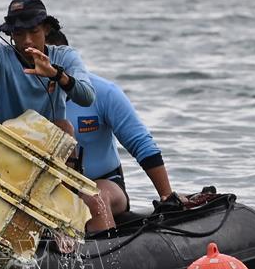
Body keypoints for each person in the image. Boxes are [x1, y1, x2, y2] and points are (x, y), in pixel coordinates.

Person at [47, 29, 174, 233]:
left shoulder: (104, 92)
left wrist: (167, 196)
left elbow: (141, 144)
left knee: (93, 198)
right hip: (46, 188)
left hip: (105, 184)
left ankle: (109, 261)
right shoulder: (25, 98)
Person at [0, 0, 94, 130]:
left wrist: (57, 74)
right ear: (11, 34)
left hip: (51, 142)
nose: (27, 40)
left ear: (46, 29)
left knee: (65, 127)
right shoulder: (1, 55)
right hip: (8, 141)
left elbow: (87, 97)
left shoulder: (64, 56)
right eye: (19, 33)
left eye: (34, 32)